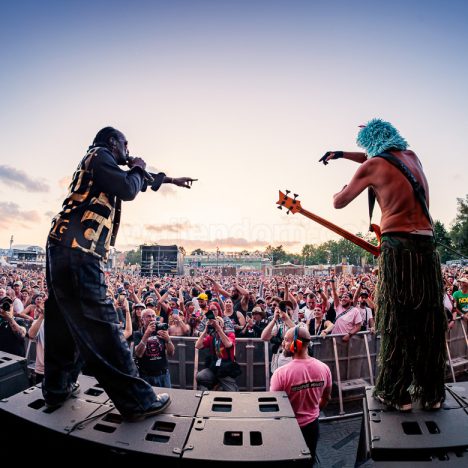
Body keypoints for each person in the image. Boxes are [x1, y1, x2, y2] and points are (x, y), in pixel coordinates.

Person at [43, 126, 196, 421]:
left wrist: (170, 180)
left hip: (60, 245)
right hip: (80, 248)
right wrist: (136, 167)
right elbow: (128, 188)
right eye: (126, 144)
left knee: (61, 320)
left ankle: (57, 388)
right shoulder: (101, 155)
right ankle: (137, 401)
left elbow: (139, 179)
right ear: (113, 143)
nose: (129, 150)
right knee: (104, 325)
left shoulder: (97, 161)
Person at [320, 118, 446, 410]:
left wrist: (340, 189)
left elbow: (340, 202)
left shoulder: (371, 167)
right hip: (427, 245)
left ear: (369, 145)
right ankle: (432, 393)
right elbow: (377, 158)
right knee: (427, 321)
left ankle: (396, 393)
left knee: (397, 320)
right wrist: (341, 155)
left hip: (397, 247)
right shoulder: (412, 157)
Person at [270, 326, 332, 461]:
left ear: (296, 344)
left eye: (286, 340)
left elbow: (274, 407)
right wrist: (314, 411)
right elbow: (326, 398)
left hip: (288, 428)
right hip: (313, 427)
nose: (283, 343)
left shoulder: (280, 374)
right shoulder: (324, 368)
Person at [195, 314, 240, 391]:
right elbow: (197, 346)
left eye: (218, 323)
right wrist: (205, 330)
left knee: (232, 392)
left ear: (222, 325)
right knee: (200, 376)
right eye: (215, 323)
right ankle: (212, 389)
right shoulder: (212, 337)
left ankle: (220, 387)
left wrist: (218, 328)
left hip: (226, 368)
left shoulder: (230, 335)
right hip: (215, 367)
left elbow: (228, 344)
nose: (215, 325)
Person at [133, 309, 175, 388]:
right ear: (142, 320)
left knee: (167, 395)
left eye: (153, 316)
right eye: (148, 316)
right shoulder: (138, 334)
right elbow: (139, 354)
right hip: (146, 376)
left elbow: (171, 353)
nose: (152, 319)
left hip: (163, 375)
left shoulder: (160, 332)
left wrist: (168, 339)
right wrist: (146, 334)